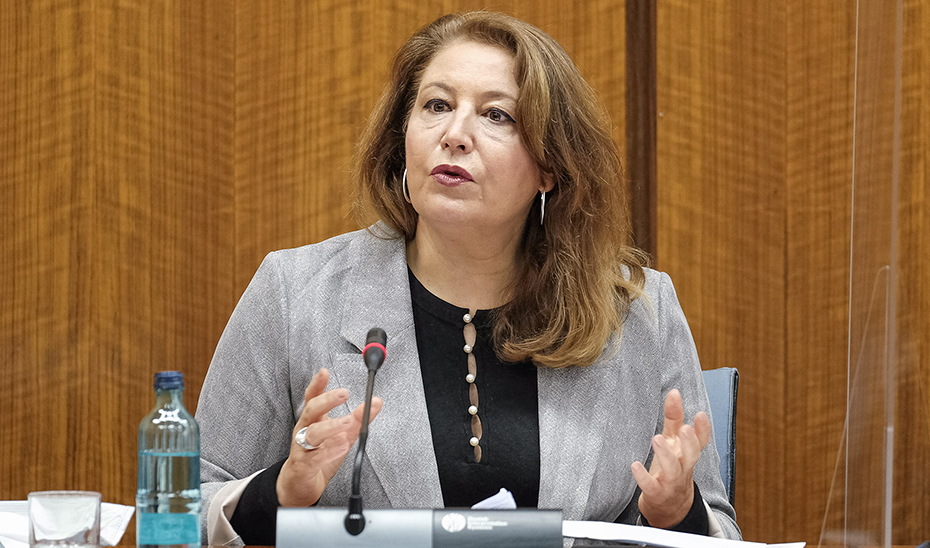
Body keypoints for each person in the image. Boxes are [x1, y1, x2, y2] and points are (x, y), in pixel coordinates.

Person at [196, 11, 741, 545]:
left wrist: (678, 512)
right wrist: (281, 492)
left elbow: (720, 528)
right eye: (436, 105)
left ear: (550, 165)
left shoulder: (638, 309)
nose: (454, 134)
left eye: (496, 115)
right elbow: (182, 510)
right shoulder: (296, 293)